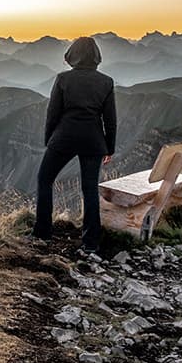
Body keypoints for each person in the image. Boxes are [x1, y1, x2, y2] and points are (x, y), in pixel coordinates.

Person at [32, 36, 116, 252]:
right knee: (89, 189)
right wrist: (109, 147)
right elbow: (110, 118)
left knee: (44, 179)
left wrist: (49, 139)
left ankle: (42, 233)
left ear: (72, 55)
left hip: (64, 138)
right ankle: (90, 242)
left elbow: (53, 113)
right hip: (94, 141)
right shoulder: (106, 82)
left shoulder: (63, 79)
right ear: (96, 56)